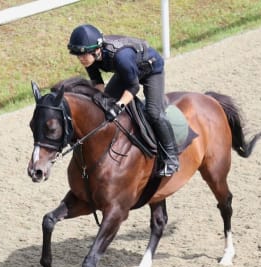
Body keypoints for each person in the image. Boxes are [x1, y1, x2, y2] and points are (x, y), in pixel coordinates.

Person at [67, 24, 179, 177]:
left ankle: (171, 158)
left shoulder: (121, 57)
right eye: (78, 55)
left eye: (84, 55)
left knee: (154, 112)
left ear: (97, 49)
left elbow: (133, 87)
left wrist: (119, 105)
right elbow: (97, 81)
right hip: (127, 71)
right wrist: (102, 100)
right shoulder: (90, 58)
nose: (81, 59)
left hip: (151, 70)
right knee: (105, 104)